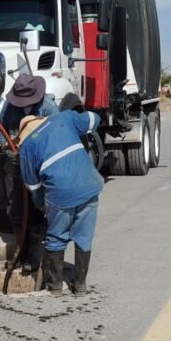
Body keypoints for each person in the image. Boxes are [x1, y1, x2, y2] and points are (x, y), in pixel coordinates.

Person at [15, 110, 104, 296]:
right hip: (89, 185)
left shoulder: (26, 148)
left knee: (56, 237)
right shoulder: (64, 118)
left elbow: (33, 187)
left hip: (60, 194)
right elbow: (95, 119)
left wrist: (41, 206)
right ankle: (80, 286)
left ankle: (55, 286)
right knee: (84, 237)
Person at [0, 74, 58, 274]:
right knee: (16, 212)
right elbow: (0, 129)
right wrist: (7, 148)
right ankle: (21, 255)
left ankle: (35, 256)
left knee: (38, 211)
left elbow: (59, 136)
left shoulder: (48, 108)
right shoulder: (9, 107)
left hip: (38, 169)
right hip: (14, 168)